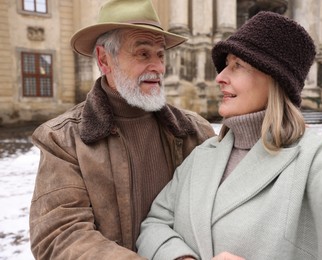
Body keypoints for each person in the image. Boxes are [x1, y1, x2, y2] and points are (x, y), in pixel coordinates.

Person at [136, 12, 322, 260]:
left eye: (237, 66)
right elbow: (155, 223)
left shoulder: (321, 159)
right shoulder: (202, 155)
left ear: (275, 80)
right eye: (226, 65)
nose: (220, 77)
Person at [29, 0, 215, 259]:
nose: (158, 67)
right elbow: (60, 235)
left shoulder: (195, 132)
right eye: (142, 54)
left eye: (160, 54)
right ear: (104, 60)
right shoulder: (63, 139)